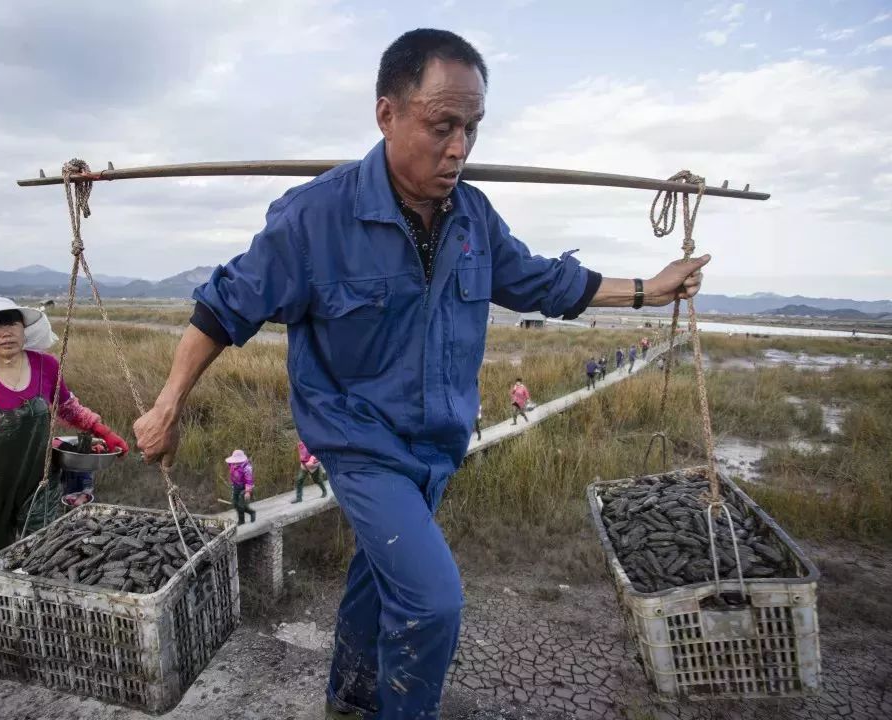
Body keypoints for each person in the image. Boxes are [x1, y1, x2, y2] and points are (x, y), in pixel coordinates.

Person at [132, 29, 708, 719]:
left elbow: (541, 283)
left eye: (472, 127)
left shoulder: (473, 218)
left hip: (436, 444)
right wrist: (166, 406)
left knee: (381, 575)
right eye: (442, 126)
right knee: (433, 602)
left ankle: (349, 695)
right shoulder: (316, 217)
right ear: (387, 114)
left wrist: (650, 289)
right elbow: (220, 311)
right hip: (361, 444)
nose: (460, 148)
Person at [0, 297, 128, 655]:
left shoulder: (46, 366)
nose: (6, 333)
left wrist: (102, 429)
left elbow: (67, 407)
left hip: (38, 479)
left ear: (24, 329)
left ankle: (40, 618)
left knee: (42, 549)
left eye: (12, 324)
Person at [226, 449, 257, 523]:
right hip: (236, 486)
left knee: (240, 505)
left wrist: (247, 492)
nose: (235, 462)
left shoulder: (247, 468)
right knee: (235, 504)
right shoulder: (232, 464)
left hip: (245, 488)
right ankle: (251, 512)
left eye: (237, 460)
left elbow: (249, 481)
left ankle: (241, 520)